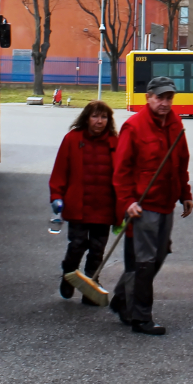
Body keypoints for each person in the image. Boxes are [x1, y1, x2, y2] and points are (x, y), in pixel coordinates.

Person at [110, 75, 192, 336]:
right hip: (143, 205)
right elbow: (120, 171)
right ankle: (141, 317)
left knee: (160, 254)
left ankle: (123, 298)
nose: (165, 103)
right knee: (144, 261)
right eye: (160, 98)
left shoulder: (176, 123)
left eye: (169, 98)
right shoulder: (133, 127)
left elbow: (181, 162)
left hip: (167, 202)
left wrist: (185, 193)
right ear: (148, 97)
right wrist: (127, 202)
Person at [48, 100, 119, 304]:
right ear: (86, 118)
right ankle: (69, 276)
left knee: (97, 250)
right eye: (95, 116)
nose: (99, 121)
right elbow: (60, 171)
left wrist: (123, 205)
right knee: (77, 246)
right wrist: (56, 196)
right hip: (78, 206)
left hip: (104, 207)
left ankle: (91, 285)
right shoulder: (72, 139)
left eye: (104, 117)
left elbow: (123, 175)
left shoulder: (115, 142)